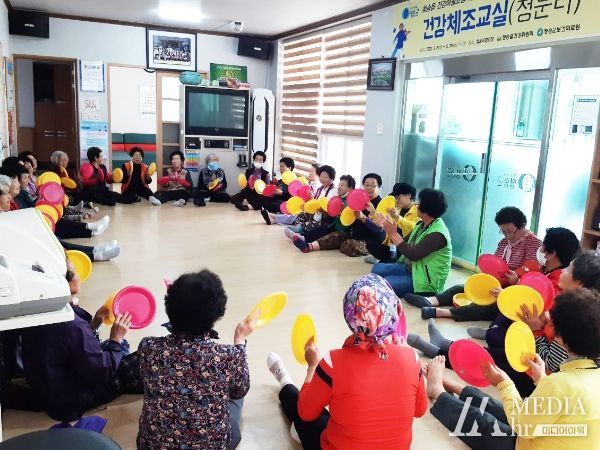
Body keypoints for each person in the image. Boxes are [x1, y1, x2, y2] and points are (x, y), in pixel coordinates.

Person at [425, 288, 600, 450]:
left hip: (532, 441)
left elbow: (522, 427)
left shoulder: (560, 383)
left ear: (561, 336)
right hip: (550, 432)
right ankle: (454, 387)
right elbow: (562, 403)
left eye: (554, 326)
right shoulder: (587, 373)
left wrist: (504, 383)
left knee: (485, 424)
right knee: (504, 408)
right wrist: (541, 379)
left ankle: (438, 392)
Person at [267, 274, 427, 450]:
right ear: (394, 309)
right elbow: (419, 410)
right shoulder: (412, 358)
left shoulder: (332, 362)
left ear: (350, 314)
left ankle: (284, 380)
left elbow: (305, 413)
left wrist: (312, 366)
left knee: (304, 407)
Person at [137, 270, 256, 450]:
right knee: (236, 397)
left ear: (169, 308)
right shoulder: (228, 356)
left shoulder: (148, 347)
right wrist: (239, 339)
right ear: (217, 314)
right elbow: (240, 390)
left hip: (152, 446)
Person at [20, 263, 142, 421]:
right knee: (140, 360)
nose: (79, 275)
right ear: (69, 283)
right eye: (75, 271)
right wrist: (115, 338)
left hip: (48, 386)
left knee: (120, 347)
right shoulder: (72, 324)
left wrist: (94, 324)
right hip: (70, 400)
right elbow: (103, 371)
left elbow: (66, 343)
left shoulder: (39, 307)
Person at [408, 206, 542, 321]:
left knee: (488, 304)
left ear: (522, 226)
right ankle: (431, 300)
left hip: (515, 291)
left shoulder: (533, 243)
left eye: (510, 231)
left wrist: (516, 280)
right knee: (463, 287)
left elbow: (533, 274)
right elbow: (495, 265)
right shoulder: (503, 242)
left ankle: (443, 313)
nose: (507, 236)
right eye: (503, 231)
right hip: (498, 284)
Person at [371, 188, 452, 297]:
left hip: (424, 281)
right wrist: (388, 228)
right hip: (411, 268)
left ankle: (420, 292)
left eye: (419, 203)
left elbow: (413, 255)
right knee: (376, 269)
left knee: (382, 284)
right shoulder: (421, 224)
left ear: (426, 209)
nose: (416, 206)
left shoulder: (438, 234)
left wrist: (394, 234)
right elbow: (404, 244)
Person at [291, 174, 356, 253]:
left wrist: (343, 211)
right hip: (334, 226)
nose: (339, 187)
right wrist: (323, 211)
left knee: (333, 235)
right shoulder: (338, 199)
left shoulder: (352, 202)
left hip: (344, 231)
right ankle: (303, 237)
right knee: (324, 229)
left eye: (342, 185)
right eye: (339, 185)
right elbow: (332, 216)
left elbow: (349, 222)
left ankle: (308, 246)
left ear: (350, 188)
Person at [365, 182, 419, 264]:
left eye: (398, 197)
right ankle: (388, 260)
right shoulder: (397, 209)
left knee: (382, 266)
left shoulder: (418, 210)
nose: (397, 200)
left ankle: (390, 261)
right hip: (392, 245)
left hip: (406, 246)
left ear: (408, 195)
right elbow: (384, 222)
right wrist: (373, 213)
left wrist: (398, 217)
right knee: (371, 243)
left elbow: (415, 228)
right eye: (395, 198)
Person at [285, 165, 339, 237]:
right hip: (316, 214)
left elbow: (327, 209)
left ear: (332, 178)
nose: (322, 179)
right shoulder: (320, 189)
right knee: (301, 214)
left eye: (325, 177)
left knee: (314, 225)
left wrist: (311, 207)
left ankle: (301, 230)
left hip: (324, 218)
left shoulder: (333, 191)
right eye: (321, 176)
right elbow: (315, 202)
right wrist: (309, 202)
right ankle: (300, 228)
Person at [338, 173, 384, 257]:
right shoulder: (359, 199)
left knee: (350, 245)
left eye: (373, 185)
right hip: (356, 236)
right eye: (366, 185)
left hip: (371, 241)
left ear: (379, 187)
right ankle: (311, 246)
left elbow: (379, 230)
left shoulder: (381, 204)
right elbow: (350, 223)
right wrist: (344, 213)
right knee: (336, 235)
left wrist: (364, 218)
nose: (369, 188)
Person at [261, 162, 320, 226]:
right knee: (291, 213)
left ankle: (274, 218)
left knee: (295, 215)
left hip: (307, 209)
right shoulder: (308, 183)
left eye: (312, 171)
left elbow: (313, 202)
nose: (309, 173)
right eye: (309, 170)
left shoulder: (317, 186)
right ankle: (274, 218)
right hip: (299, 205)